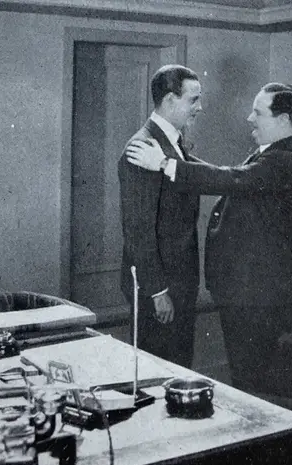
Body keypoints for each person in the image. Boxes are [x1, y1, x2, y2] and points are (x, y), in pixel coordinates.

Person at [125, 83, 292, 391]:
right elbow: (230, 174)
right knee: (247, 372)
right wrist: (179, 157)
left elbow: (232, 179)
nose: (250, 118)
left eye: (258, 113)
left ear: (282, 119)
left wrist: (166, 163)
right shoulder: (276, 153)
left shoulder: (284, 161)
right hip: (251, 290)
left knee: (252, 377)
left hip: (258, 294)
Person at [118, 64, 202, 368]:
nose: (199, 107)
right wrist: (157, 291)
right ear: (169, 100)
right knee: (159, 371)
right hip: (161, 288)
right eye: (193, 100)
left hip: (178, 284)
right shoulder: (142, 147)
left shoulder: (172, 143)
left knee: (178, 368)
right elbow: (138, 229)